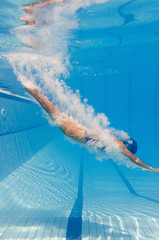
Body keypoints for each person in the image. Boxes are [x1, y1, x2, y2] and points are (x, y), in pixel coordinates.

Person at [24, 86, 159, 172]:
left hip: (80, 132)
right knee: (52, 112)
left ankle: (37, 92)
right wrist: (152, 169)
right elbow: (134, 160)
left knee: (55, 111)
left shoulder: (116, 142)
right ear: (128, 147)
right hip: (78, 134)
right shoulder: (120, 145)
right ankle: (34, 92)